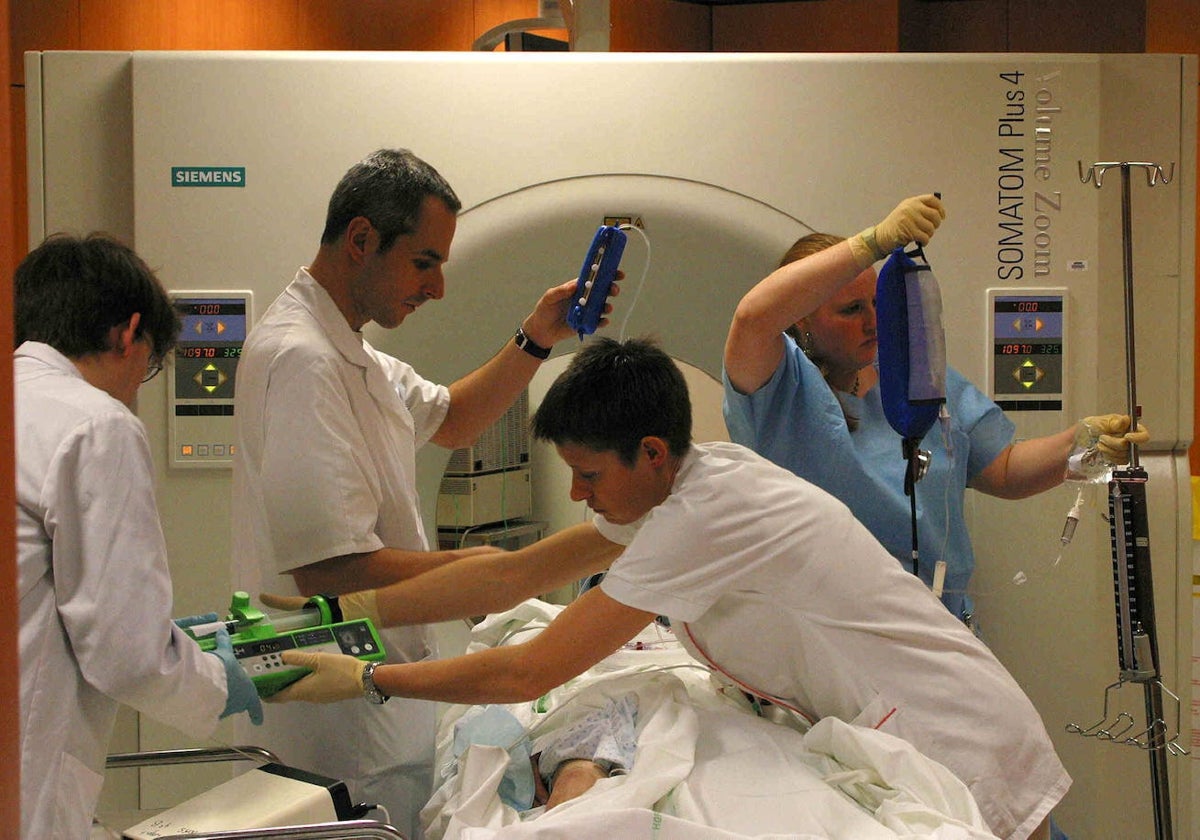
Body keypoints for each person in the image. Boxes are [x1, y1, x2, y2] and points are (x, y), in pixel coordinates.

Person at [265, 337, 1070, 840]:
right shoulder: (687, 483)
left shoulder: (701, 516)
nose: (578, 495)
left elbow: (528, 672)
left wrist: (368, 679)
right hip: (898, 721)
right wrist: (344, 608)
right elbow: (516, 574)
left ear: (651, 452)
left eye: (587, 475)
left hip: (955, 735)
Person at [230, 148, 616, 837]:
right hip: (336, 729)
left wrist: (538, 335)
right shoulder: (303, 360)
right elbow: (329, 573)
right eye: (425, 262)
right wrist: (492, 572)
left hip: (380, 708)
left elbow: (456, 419)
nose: (437, 288)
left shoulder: (353, 353)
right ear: (360, 240)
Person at [722, 194, 1148, 623]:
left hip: (940, 621)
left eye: (876, 303)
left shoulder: (913, 372)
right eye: (851, 309)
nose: (873, 321)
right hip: (831, 632)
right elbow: (752, 318)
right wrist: (871, 243)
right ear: (801, 319)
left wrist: (1083, 444)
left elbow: (1002, 469)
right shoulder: (777, 389)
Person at [15, 233, 262, 840]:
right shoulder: (95, 424)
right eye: (151, 367)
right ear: (127, 334)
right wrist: (216, 681)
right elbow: (127, 654)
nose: (136, 388)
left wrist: (173, 641)